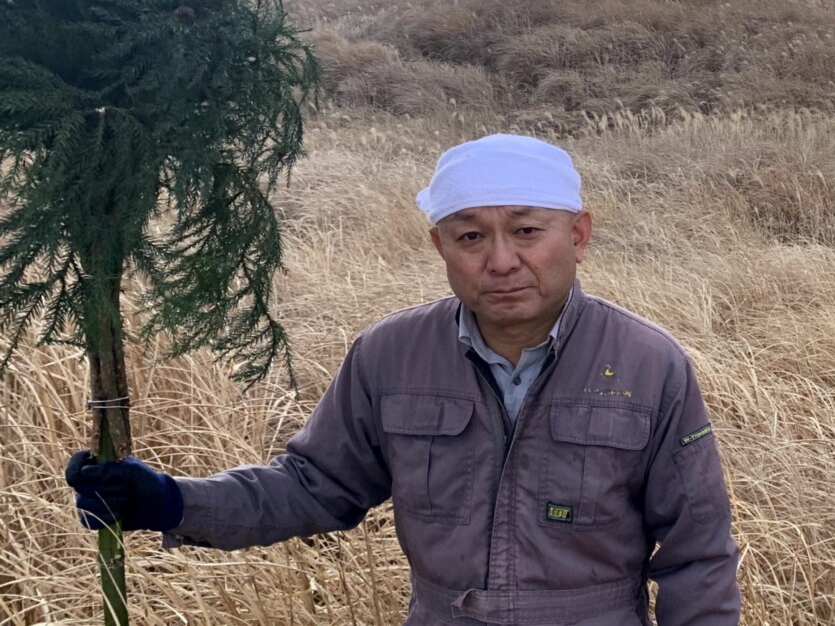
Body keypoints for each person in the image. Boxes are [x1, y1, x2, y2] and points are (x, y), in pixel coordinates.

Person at [66, 134, 741, 625]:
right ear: (441, 247)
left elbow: (697, 555)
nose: (502, 260)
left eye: (527, 231)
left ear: (579, 235)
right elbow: (313, 488)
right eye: (471, 237)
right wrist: (172, 503)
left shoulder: (650, 364)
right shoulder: (391, 356)